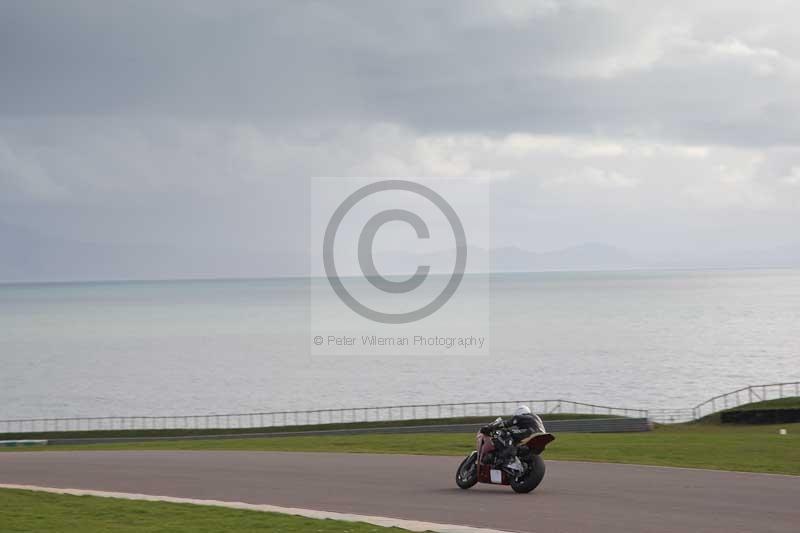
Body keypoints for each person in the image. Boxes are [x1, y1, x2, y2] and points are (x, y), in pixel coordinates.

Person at [480, 405, 545, 472]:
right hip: (542, 435)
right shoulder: (535, 417)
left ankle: (509, 455)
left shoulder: (520, 417)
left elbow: (507, 423)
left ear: (519, 412)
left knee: (505, 432)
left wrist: (491, 427)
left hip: (530, 432)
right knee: (516, 440)